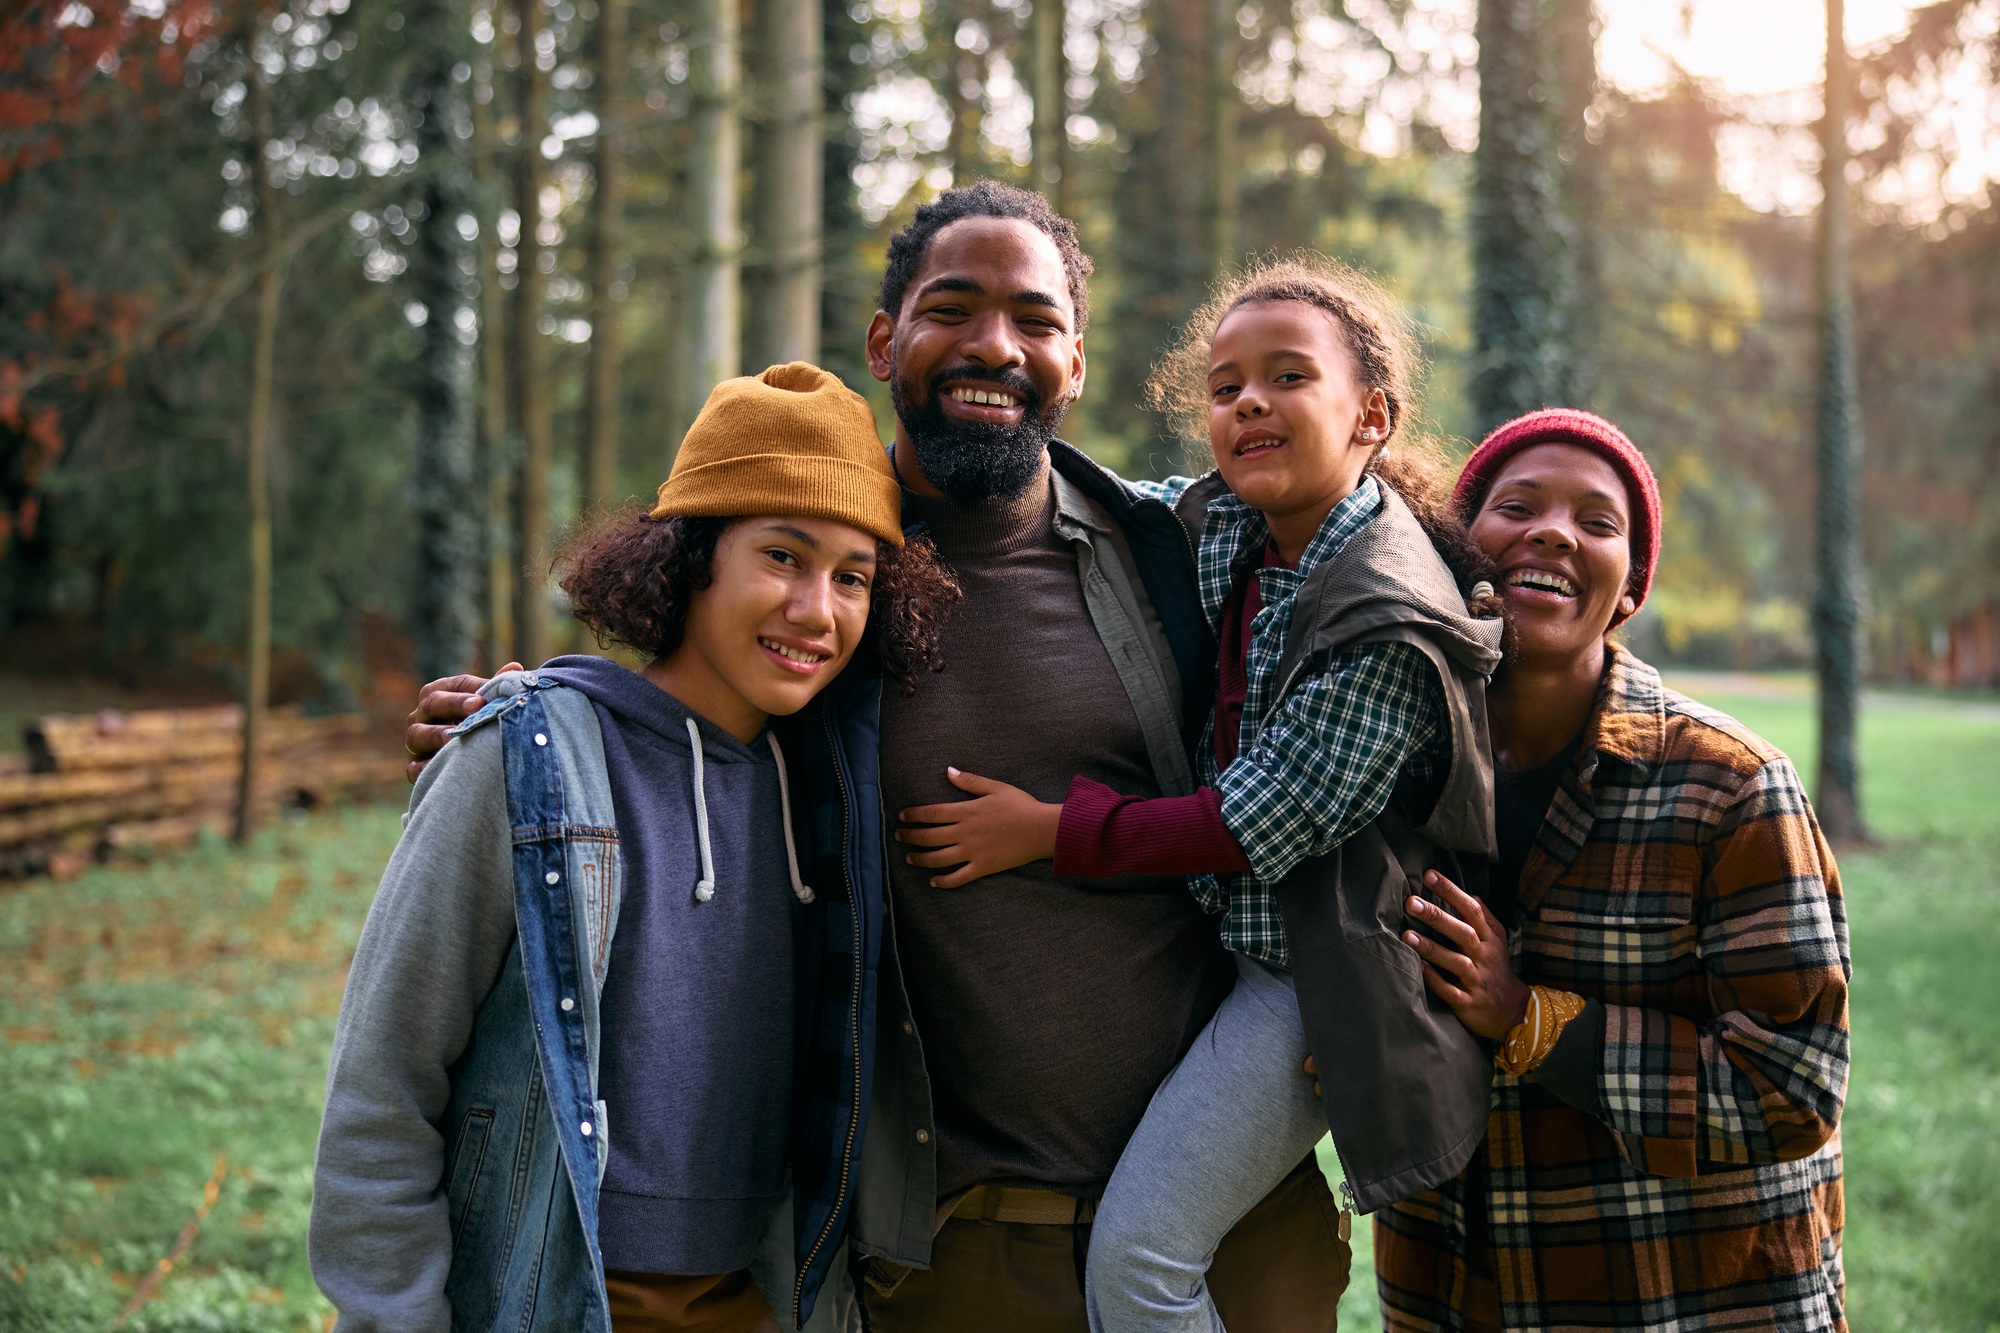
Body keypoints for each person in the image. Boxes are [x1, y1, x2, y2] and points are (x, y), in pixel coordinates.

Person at [403, 182, 1354, 1333]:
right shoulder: (825, 588)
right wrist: (538, 715)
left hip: (1228, 1229)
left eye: (1034, 320)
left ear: (1076, 361)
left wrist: (1352, 988)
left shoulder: (1180, 550)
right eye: (951, 307)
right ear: (882, 341)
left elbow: (1362, 660)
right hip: (961, 1250)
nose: (993, 346)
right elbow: (686, 687)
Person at [890, 254, 1506, 1333]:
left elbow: (1247, 821)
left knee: (1142, 1264)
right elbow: (1109, 499)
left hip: (1307, 977)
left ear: (1370, 413)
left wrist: (1045, 830)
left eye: (1284, 378)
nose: (1248, 403)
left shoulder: (1388, 627)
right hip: (1245, 962)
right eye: (1223, 388)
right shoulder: (1238, 526)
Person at [310, 363, 958, 1333]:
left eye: (852, 577)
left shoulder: (827, 793)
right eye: (782, 556)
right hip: (554, 1297)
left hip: (758, 1298)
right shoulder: (521, 760)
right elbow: (382, 1092)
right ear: (690, 558)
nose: (816, 610)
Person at [1371, 409, 1851, 1331]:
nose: (1553, 530)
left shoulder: (1733, 787)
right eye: (1517, 506)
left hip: (1681, 1295)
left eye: (1597, 521)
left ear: (1630, 588)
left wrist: (1528, 1018)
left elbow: (1792, 1090)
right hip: (1454, 1285)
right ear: (1450, 551)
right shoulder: (1388, 764)